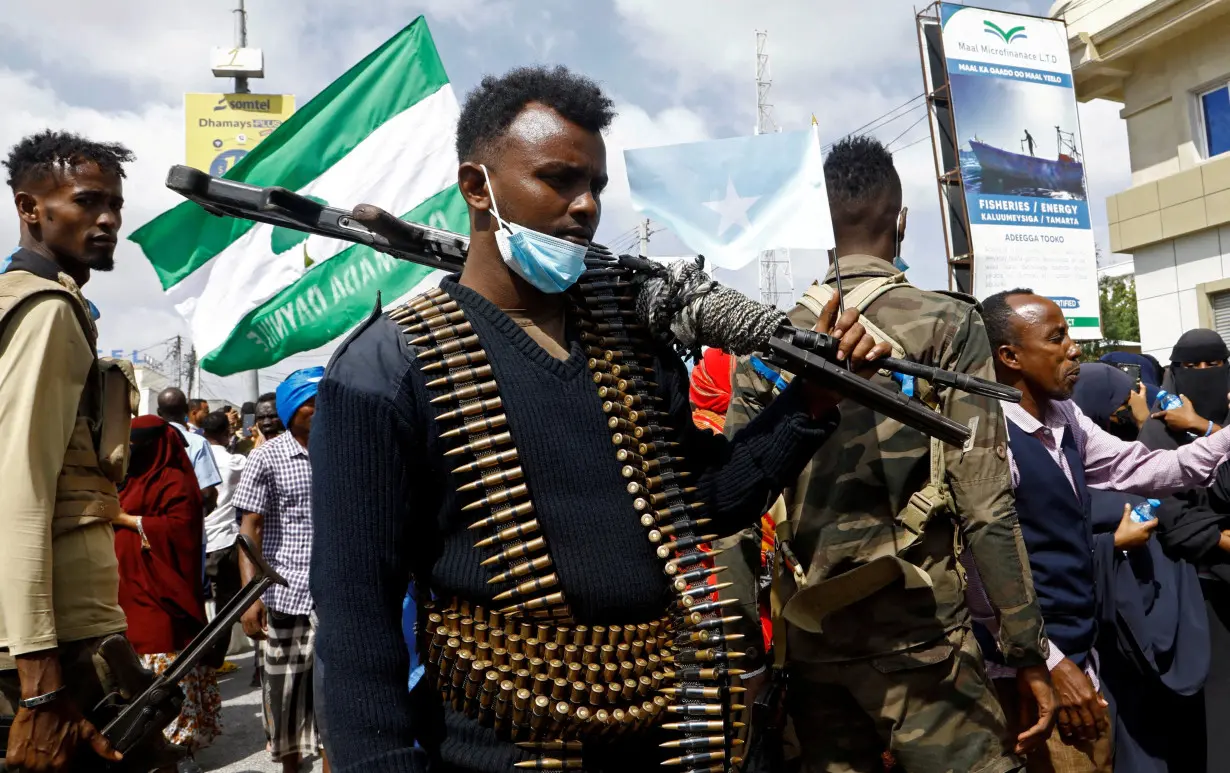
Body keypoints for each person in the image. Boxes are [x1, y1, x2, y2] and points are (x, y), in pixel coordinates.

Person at [310, 65, 886, 773]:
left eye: (596, 187)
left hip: (666, 735)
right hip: (497, 749)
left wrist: (812, 402)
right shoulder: (387, 367)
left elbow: (703, 502)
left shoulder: (628, 340)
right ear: (476, 187)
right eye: (558, 179)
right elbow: (356, 613)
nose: (584, 207)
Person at [726, 135, 1052, 773]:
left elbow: (732, 510)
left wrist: (745, 662)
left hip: (811, 643)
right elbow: (986, 506)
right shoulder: (947, 326)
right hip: (922, 645)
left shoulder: (766, 342)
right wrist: (1026, 649)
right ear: (901, 221)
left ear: (828, 221)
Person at [980, 289, 1230, 773]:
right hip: (1026, 675)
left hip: (1079, 658)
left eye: (1070, 336)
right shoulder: (991, 440)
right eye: (1057, 339)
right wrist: (1050, 662)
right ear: (1010, 356)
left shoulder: (1064, 418)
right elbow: (982, 579)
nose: (1074, 349)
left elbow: (1146, 468)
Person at [0, 130, 134, 772]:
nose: (106, 219)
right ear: (31, 209)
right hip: (60, 638)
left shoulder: (44, 303)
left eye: (114, 205)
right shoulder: (47, 310)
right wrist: (42, 683)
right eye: (86, 202)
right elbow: (19, 488)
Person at [1071, 363, 1208, 773]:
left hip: (1162, 616)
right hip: (1109, 641)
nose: (1126, 409)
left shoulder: (1142, 455)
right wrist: (1112, 545)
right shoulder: (1065, 476)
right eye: (1117, 403)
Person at [234, 368, 329, 773]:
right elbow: (249, 529)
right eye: (309, 400)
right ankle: (291, 766)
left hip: (334, 595)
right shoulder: (266, 457)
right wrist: (249, 598)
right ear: (291, 409)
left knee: (332, 697)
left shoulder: (344, 449)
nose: (318, 407)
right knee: (284, 695)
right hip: (284, 595)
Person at [115, 416, 221, 773]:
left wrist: (126, 520)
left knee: (162, 688)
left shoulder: (175, 481)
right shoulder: (129, 478)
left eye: (140, 444)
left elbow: (180, 531)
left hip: (163, 599)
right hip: (127, 595)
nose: (133, 451)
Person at [200, 410, 247, 674]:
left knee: (200, 602)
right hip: (224, 541)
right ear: (226, 433)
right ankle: (216, 661)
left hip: (200, 539)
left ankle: (200, 658)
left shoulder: (193, 456)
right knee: (225, 605)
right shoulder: (236, 462)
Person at [157, 388, 222, 512]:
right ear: (187, 410)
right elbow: (207, 493)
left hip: (149, 524)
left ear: (159, 412)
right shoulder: (197, 442)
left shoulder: (148, 440)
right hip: (187, 522)